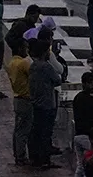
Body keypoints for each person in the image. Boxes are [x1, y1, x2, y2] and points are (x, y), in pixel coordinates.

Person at [27, 34, 67, 168]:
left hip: (36, 102)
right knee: (45, 132)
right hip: (47, 103)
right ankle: (45, 159)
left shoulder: (33, 66)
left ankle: (35, 157)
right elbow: (57, 80)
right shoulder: (46, 66)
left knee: (36, 131)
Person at [6, 41, 32, 166]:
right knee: (23, 130)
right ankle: (21, 156)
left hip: (17, 98)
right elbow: (33, 74)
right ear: (21, 48)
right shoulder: (23, 63)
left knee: (17, 129)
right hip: (25, 99)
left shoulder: (11, 63)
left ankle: (17, 154)